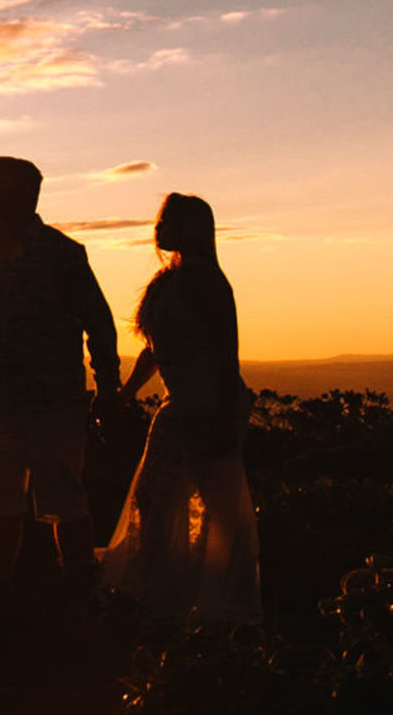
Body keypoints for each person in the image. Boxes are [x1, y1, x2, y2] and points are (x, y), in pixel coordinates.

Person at [0, 155, 121, 591]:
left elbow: (98, 323)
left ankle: (78, 595)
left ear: (21, 193)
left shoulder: (63, 255)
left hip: (53, 403)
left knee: (66, 503)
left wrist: (108, 386)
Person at [98, 193, 262, 624]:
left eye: (168, 220)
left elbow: (228, 352)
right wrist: (126, 394)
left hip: (206, 404)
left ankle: (224, 595)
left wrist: (226, 414)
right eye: (159, 220)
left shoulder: (206, 281)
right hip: (179, 407)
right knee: (156, 499)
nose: (158, 228)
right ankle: (151, 587)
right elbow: (153, 351)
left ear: (192, 227)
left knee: (214, 504)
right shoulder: (168, 280)